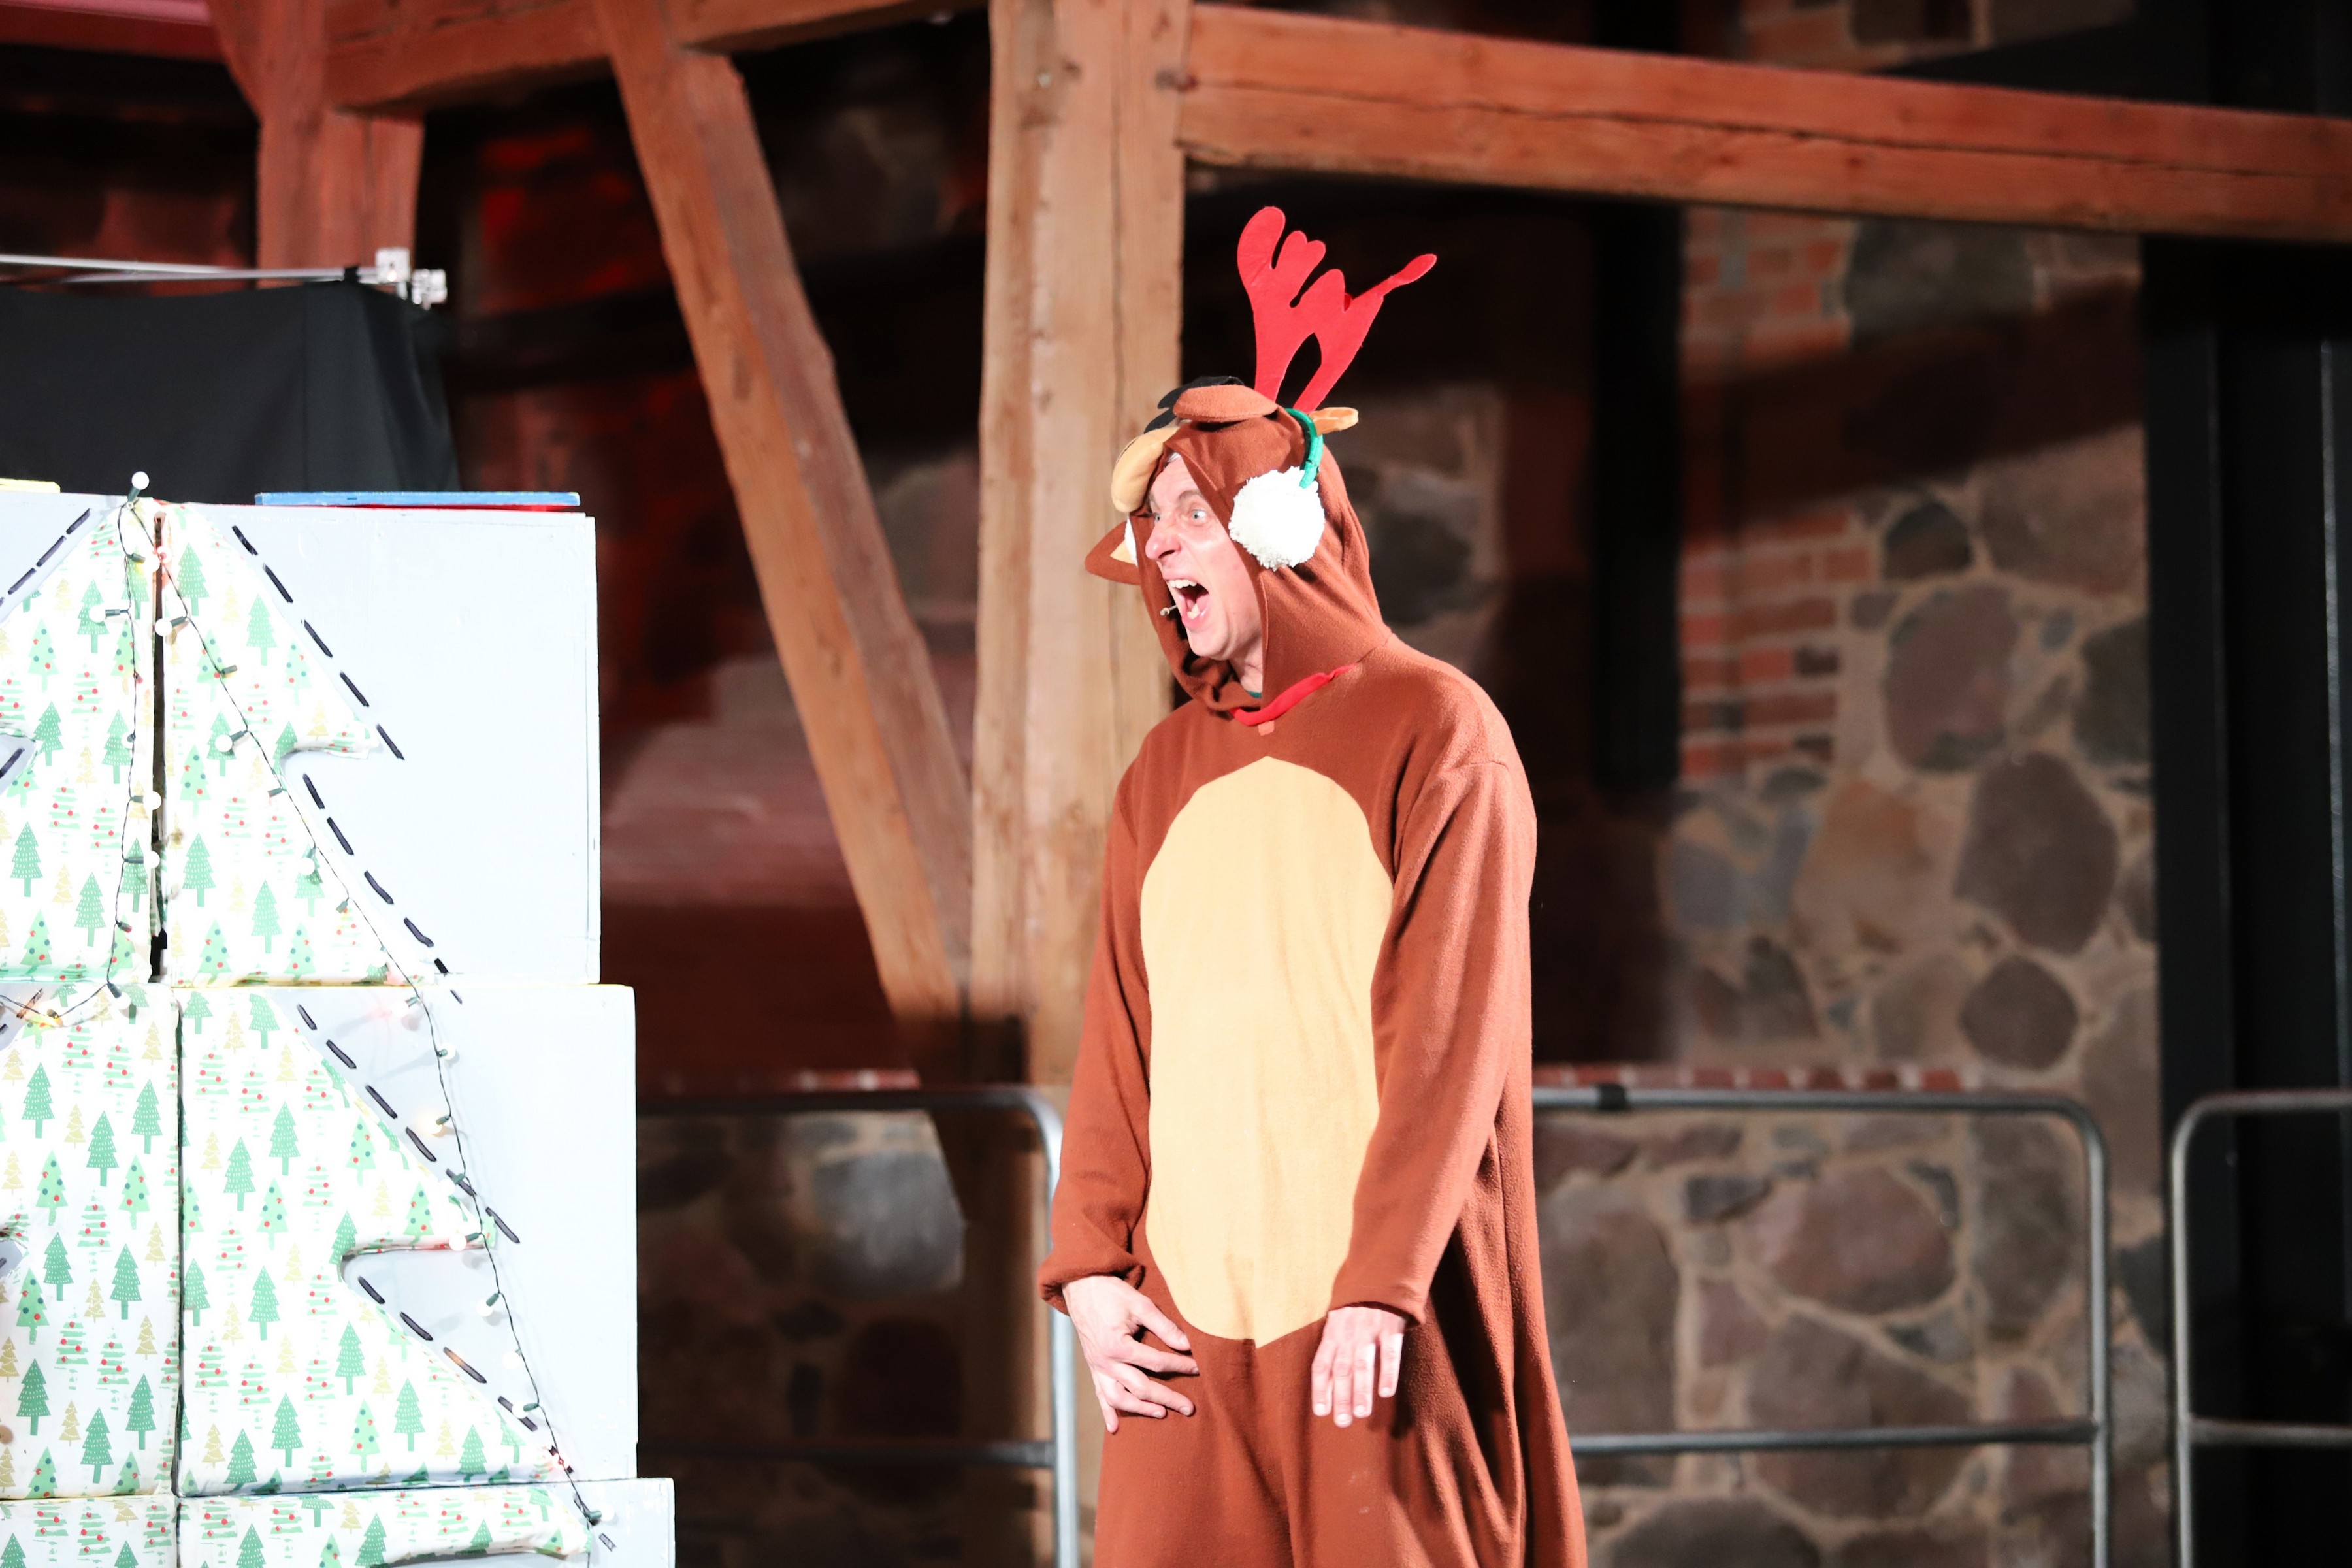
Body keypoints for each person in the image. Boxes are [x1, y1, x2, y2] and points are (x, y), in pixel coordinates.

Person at [1041, 208, 1586, 1568]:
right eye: (1149, 523)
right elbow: (1120, 1037)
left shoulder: (1436, 727)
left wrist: (1384, 1281)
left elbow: (1451, 1035)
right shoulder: (1163, 772)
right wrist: (1090, 1271)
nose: (1162, 548)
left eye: (1191, 512)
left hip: (1371, 1312)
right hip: (1184, 1326)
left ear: (1276, 525)